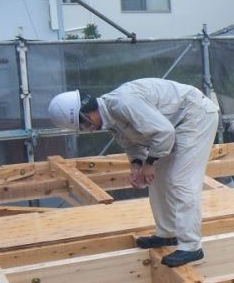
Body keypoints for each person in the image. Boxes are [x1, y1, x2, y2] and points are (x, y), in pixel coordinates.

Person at [47, 79, 220, 267]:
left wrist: (150, 162)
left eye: (85, 124)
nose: (87, 129)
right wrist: (137, 165)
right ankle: (167, 234)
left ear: (86, 114)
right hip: (176, 124)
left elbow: (164, 133)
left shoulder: (123, 104)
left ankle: (191, 246)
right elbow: (131, 143)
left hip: (195, 117)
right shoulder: (110, 117)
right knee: (159, 180)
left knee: (181, 180)